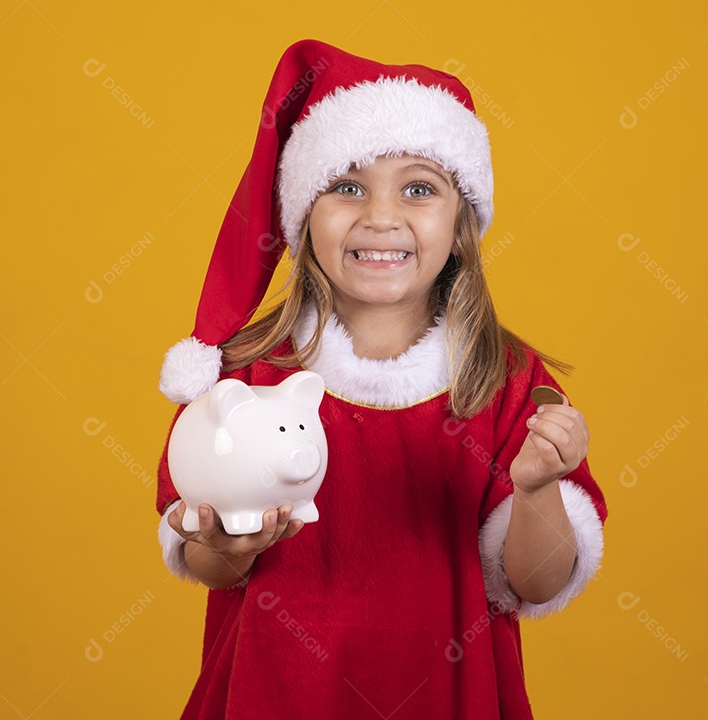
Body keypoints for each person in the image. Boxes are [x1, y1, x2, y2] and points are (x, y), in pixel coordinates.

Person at [153, 39, 608, 720]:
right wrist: (224, 543)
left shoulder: (507, 382)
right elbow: (209, 565)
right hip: (270, 697)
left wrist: (538, 489)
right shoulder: (245, 373)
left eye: (419, 188)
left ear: (461, 223)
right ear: (304, 216)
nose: (381, 217)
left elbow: (534, 586)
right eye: (346, 185)